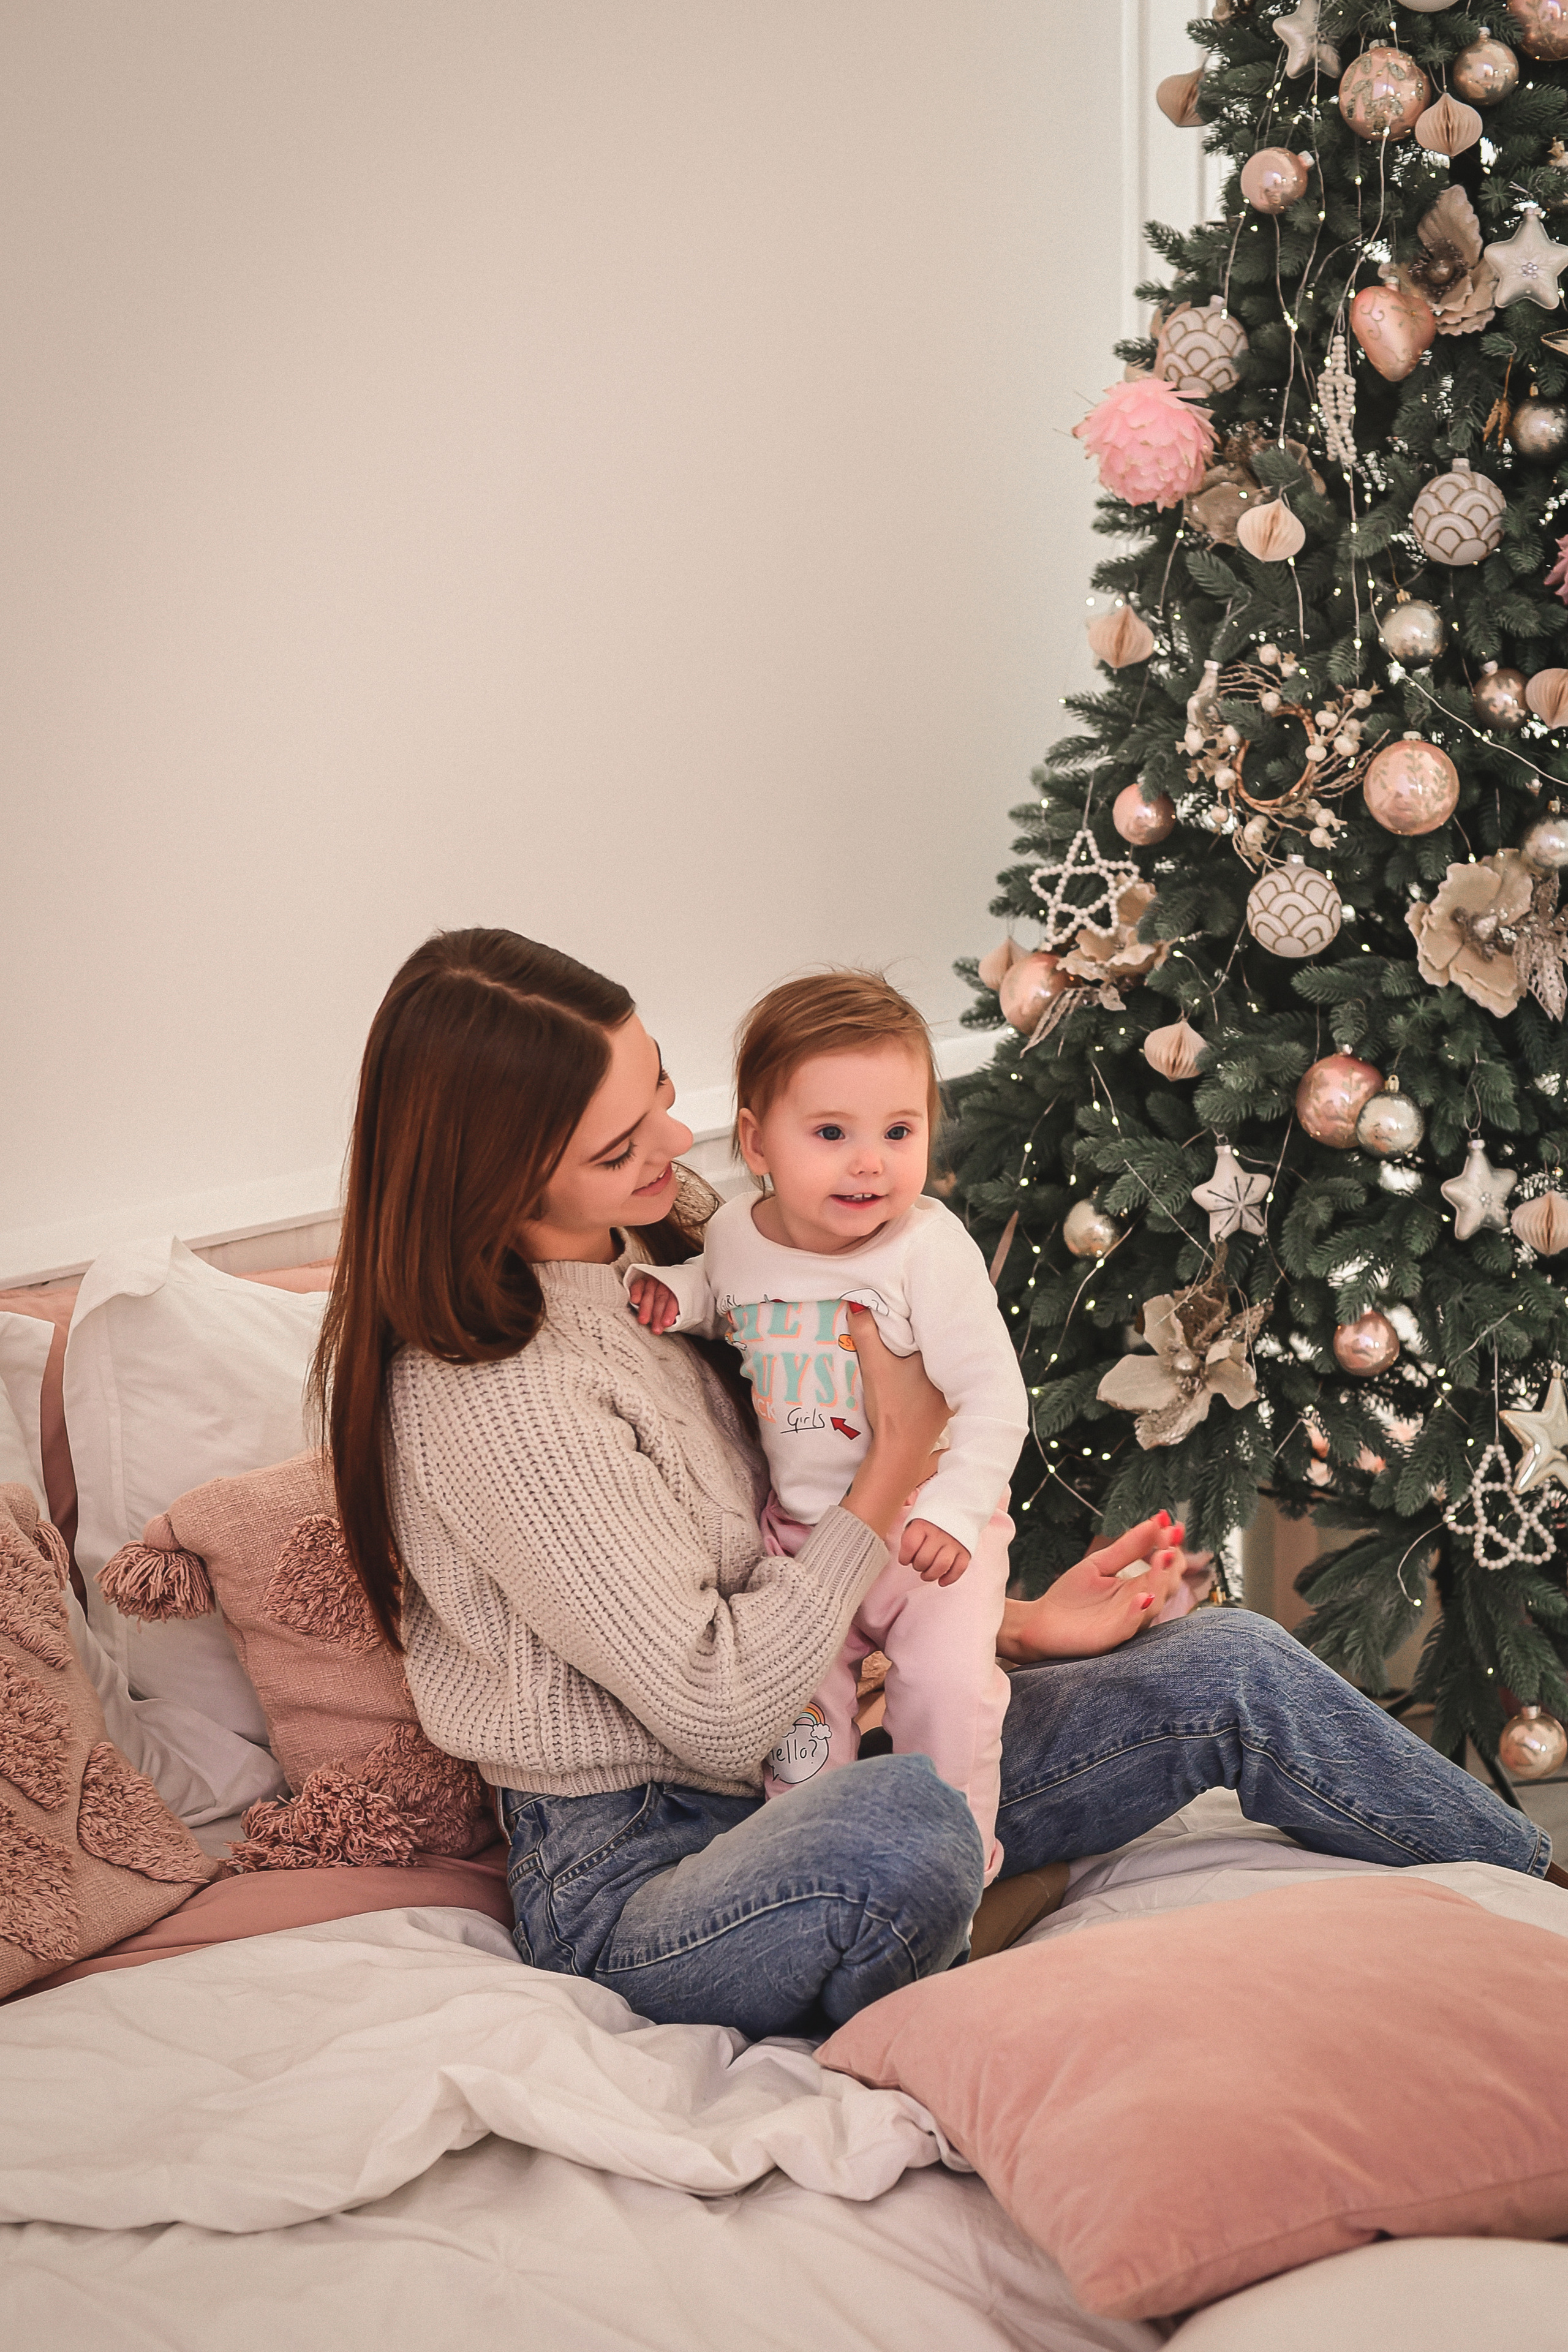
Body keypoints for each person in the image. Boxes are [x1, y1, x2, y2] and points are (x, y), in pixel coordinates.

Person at [315, 927, 1557, 2044]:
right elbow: (714, 1708)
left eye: (652, 1085)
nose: (668, 1141)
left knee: (1227, 1664)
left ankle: (1537, 1893)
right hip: (649, 1862)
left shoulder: (672, 1245)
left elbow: (772, 1537)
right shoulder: (500, 1396)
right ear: (495, 1174)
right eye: (613, 1142)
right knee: (906, 1818)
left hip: (821, 1739)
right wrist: (897, 1467)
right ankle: (952, 1974)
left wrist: (1001, 1621)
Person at [625, 970, 1031, 1885]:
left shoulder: (927, 1252)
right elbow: (722, 1297)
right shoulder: (735, 1233)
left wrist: (959, 1513)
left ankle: (952, 1868)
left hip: (929, 1536)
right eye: (832, 1134)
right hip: (805, 1540)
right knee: (802, 1729)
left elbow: (996, 1398)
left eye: (899, 1132)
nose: (870, 1164)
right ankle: (802, 1867)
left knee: (950, 1701)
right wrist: (676, 1294)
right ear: (756, 1141)